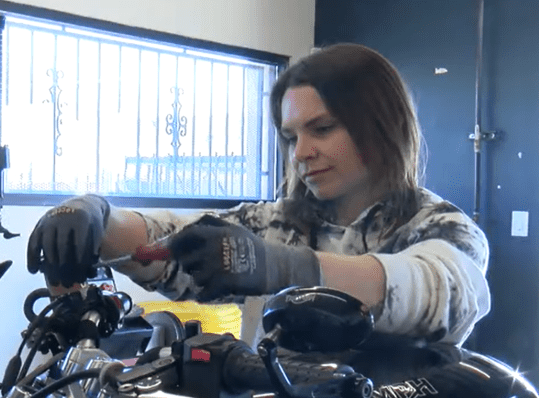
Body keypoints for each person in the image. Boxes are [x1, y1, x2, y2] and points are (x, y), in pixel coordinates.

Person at [26, 43, 490, 346]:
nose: (301, 153)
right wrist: (95, 217)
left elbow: (444, 291)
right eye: (290, 137)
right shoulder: (275, 225)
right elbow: (171, 241)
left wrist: (282, 268)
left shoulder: (441, 228)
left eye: (322, 129)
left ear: (381, 126)